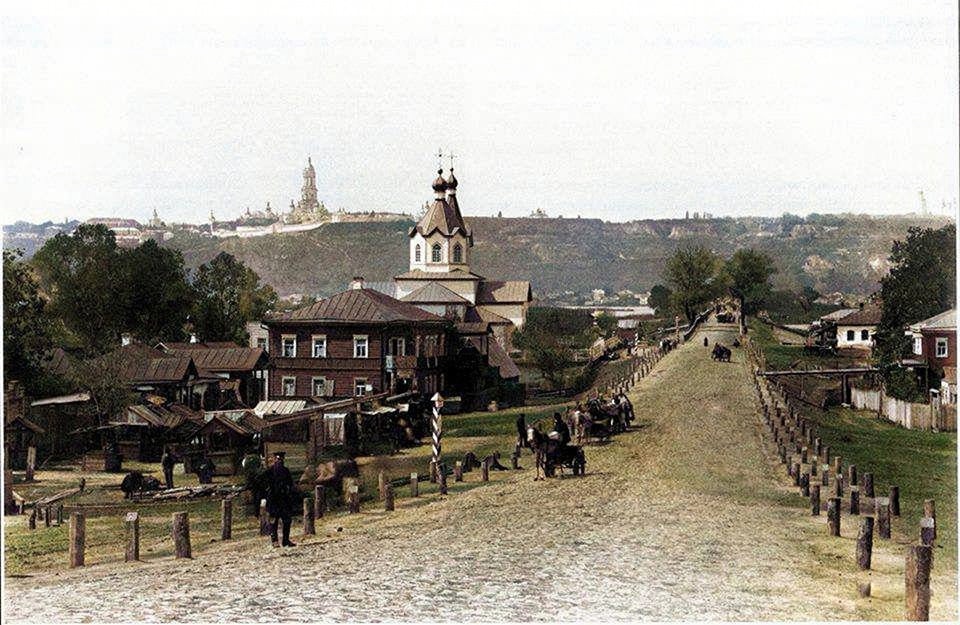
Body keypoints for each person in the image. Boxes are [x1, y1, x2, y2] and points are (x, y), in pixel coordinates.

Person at [266, 451, 296, 547]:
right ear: (275, 460)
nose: (279, 461)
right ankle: (275, 541)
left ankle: (285, 540)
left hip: (283, 499)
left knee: (286, 520)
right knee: (273, 521)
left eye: (280, 459)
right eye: (278, 459)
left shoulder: (285, 471)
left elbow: (290, 484)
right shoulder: (270, 471)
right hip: (274, 499)